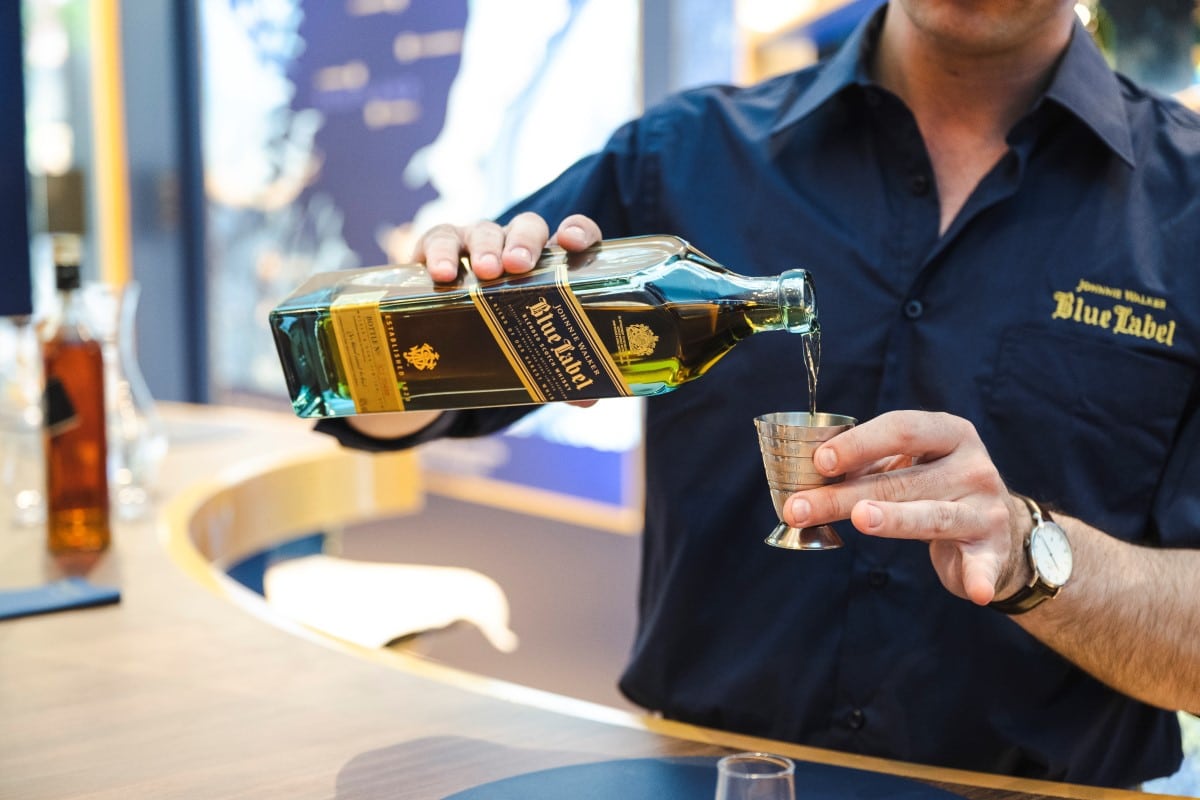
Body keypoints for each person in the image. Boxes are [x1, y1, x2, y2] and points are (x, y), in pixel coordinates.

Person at [318, 0, 1200, 788]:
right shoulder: (684, 158)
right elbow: (375, 404)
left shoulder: (1183, 208)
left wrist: (1028, 552)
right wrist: (423, 315)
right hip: (694, 777)